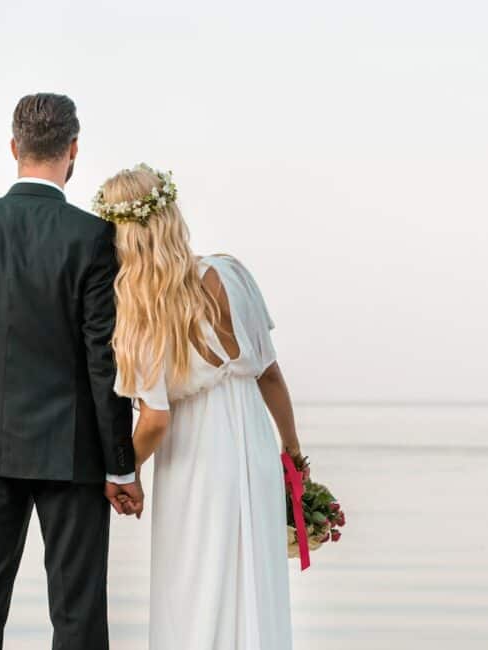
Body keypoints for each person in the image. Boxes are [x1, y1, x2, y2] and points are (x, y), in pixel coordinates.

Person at [0, 93, 143, 650]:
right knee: (77, 616)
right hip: (71, 452)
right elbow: (105, 360)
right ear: (73, 150)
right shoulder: (93, 237)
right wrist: (120, 465)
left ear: (13, 147)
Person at [95, 163, 305, 649]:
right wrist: (292, 454)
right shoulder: (230, 272)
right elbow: (271, 374)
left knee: (194, 583)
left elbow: (154, 419)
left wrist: (122, 472)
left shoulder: (143, 308)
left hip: (195, 456)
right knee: (251, 579)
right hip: (250, 436)